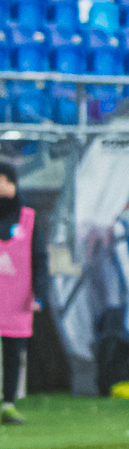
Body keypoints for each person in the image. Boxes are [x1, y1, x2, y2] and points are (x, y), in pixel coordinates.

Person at [0, 161, 47, 425]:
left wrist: (39, 294)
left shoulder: (28, 217)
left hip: (17, 298)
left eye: (3, 180)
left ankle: (8, 403)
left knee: (13, 353)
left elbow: (39, 257)